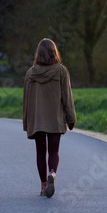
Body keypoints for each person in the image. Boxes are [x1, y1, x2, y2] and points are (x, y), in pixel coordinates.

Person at [22, 39, 76, 198]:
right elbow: (67, 97)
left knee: (40, 152)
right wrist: (71, 118)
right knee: (54, 151)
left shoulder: (30, 73)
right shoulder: (61, 71)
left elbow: (26, 100)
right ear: (54, 52)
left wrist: (27, 121)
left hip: (37, 119)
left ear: (38, 53)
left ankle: (43, 185)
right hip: (55, 118)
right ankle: (52, 173)